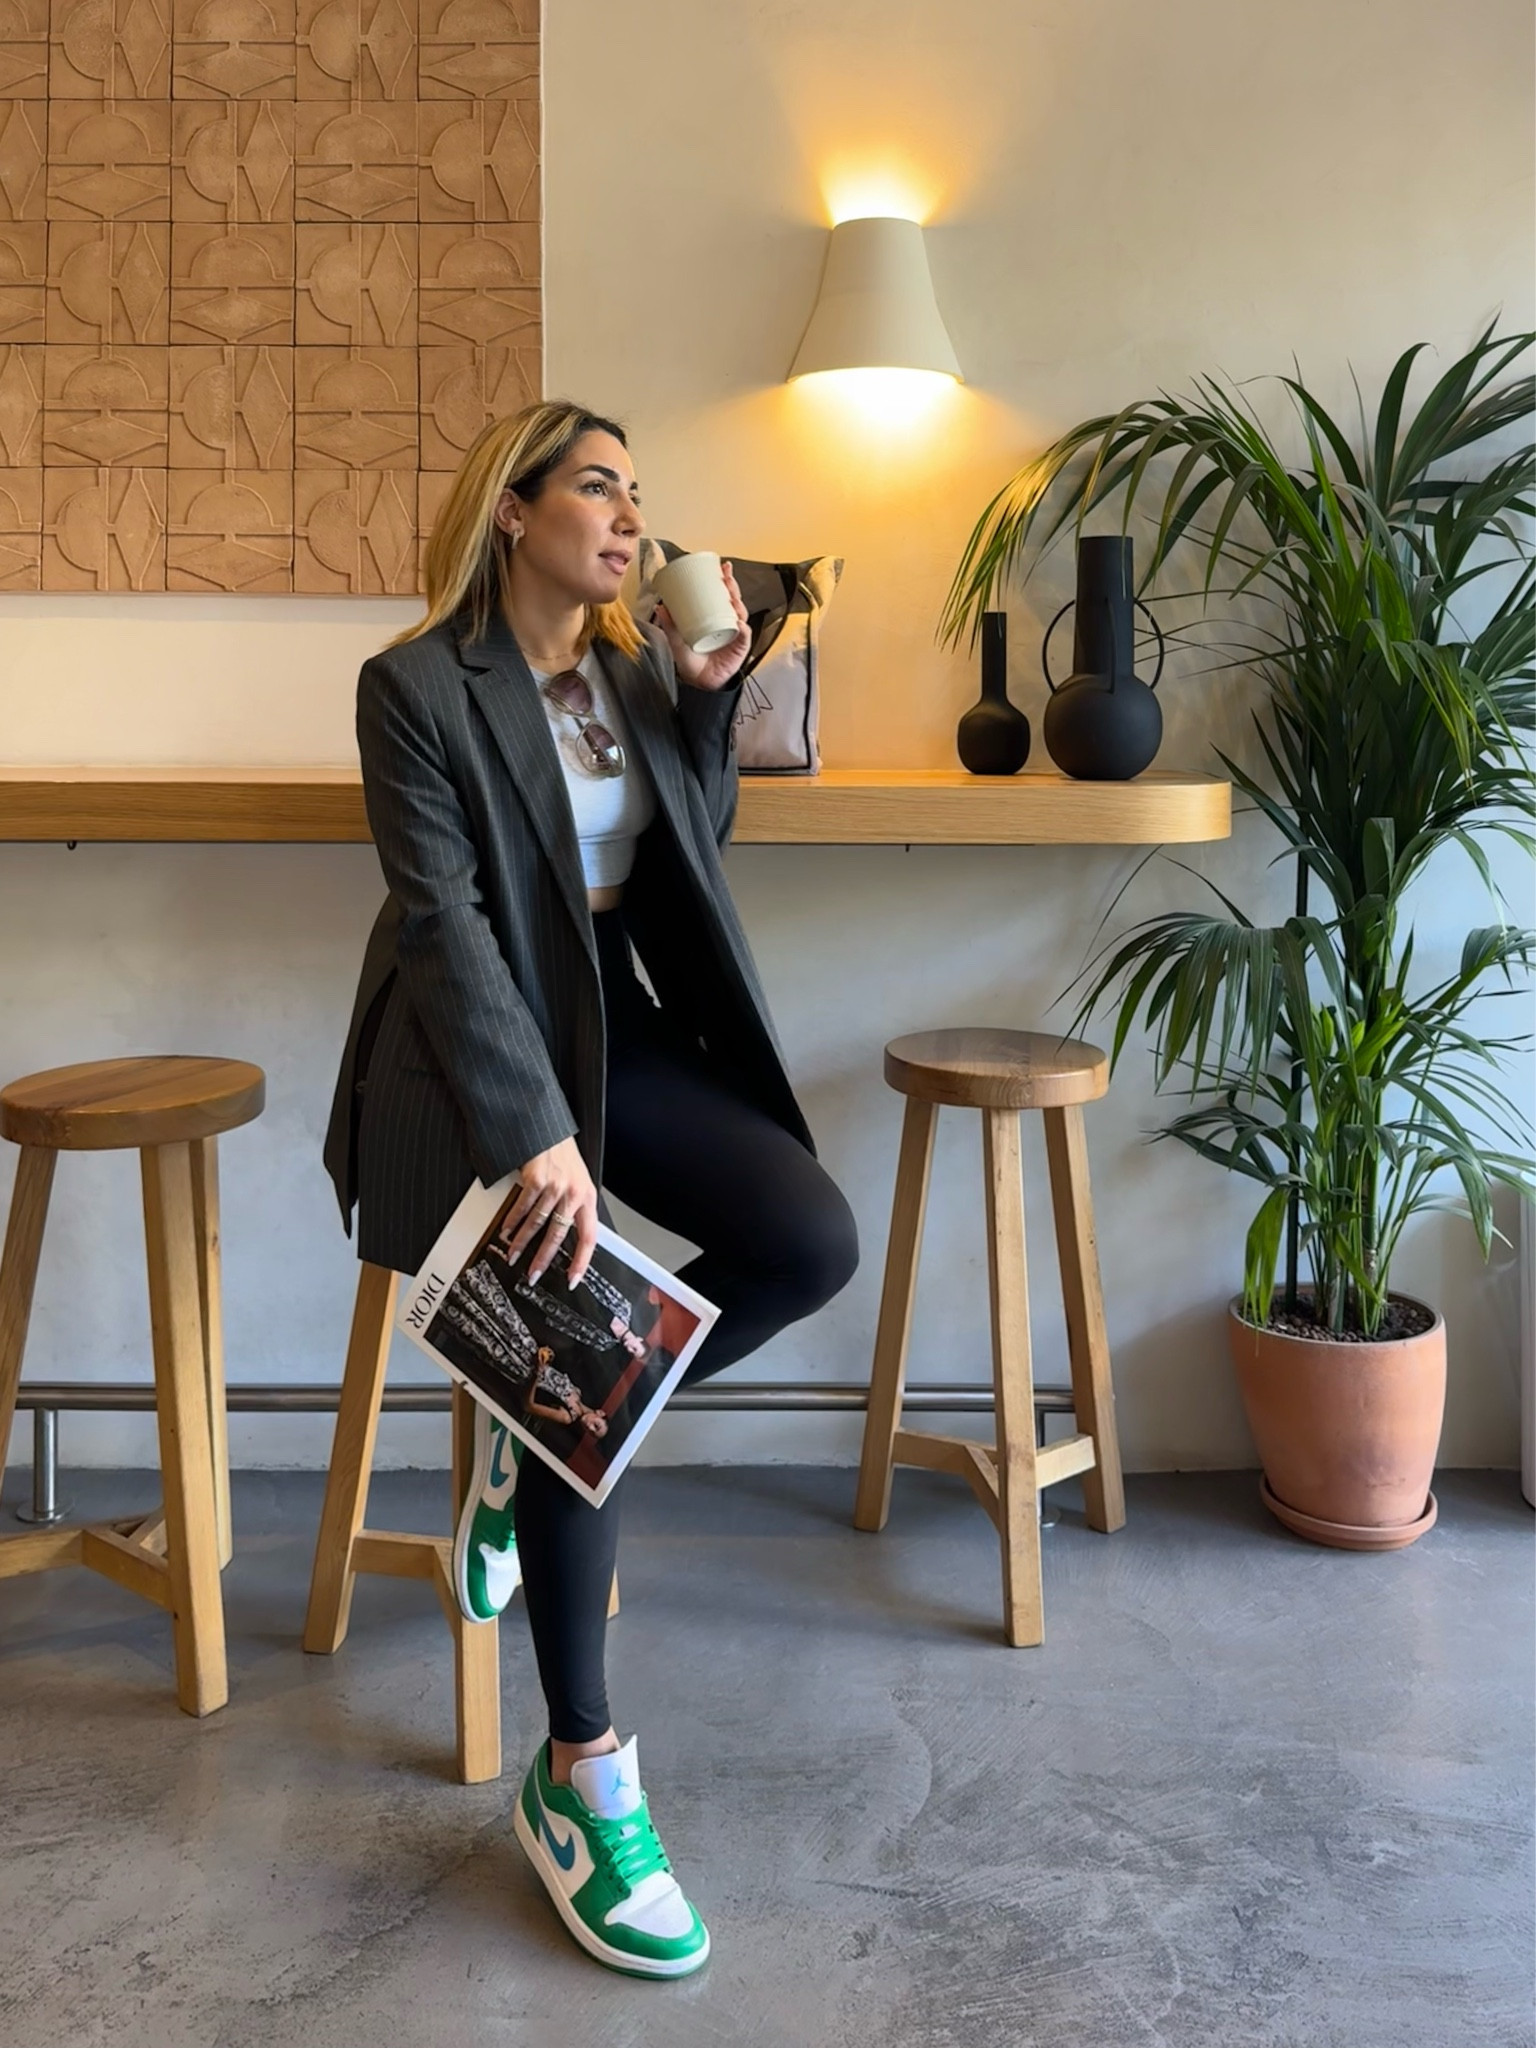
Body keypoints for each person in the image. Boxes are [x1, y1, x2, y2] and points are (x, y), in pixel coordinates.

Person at [323, 399, 859, 1979]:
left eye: (639, 495)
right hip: (470, 1051)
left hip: (619, 1024)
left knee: (805, 1238)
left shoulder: (630, 669)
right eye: (599, 488)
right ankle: (585, 1779)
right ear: (515, 508)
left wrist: (704, 710)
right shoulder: (415, 687)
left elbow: (692, 851)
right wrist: (528, 1127)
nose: (631, 520)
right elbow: (443, 925)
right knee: (572, 1356)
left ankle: (537, 1436)